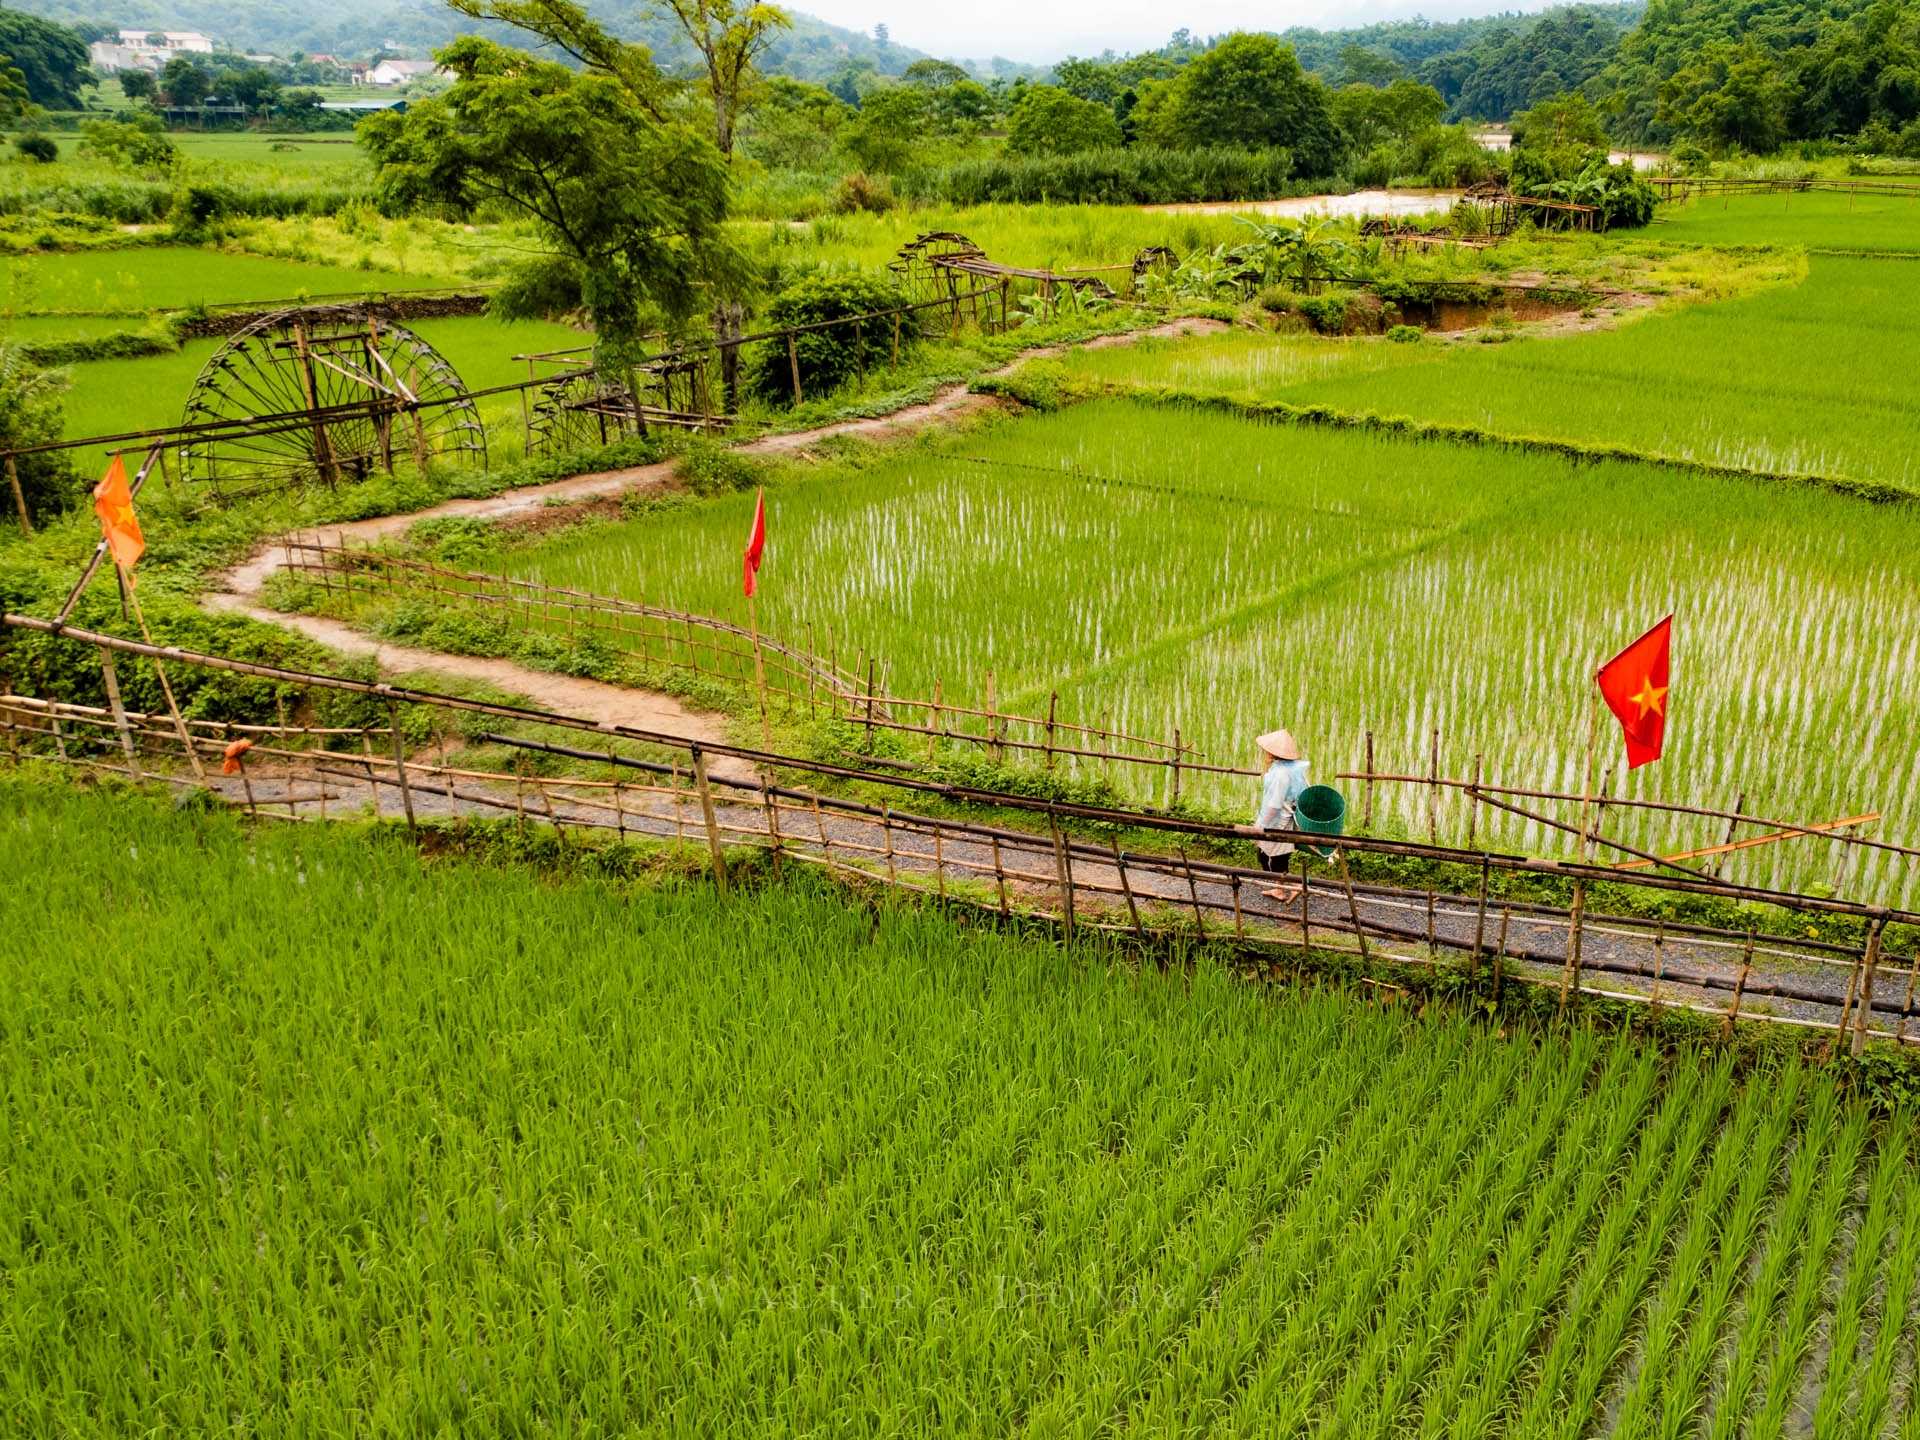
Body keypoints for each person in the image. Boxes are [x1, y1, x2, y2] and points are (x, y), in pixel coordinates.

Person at [1252, 728, 1310, 902]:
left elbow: (1275, 804)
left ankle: (1294, 886)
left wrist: (1262, 824)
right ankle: (1279, 889)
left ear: (1273, 752)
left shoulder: (1281, 774)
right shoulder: (1292, 769)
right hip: (1285, 818)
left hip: (1277, 821)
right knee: (1277, 855)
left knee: (1269, 857)